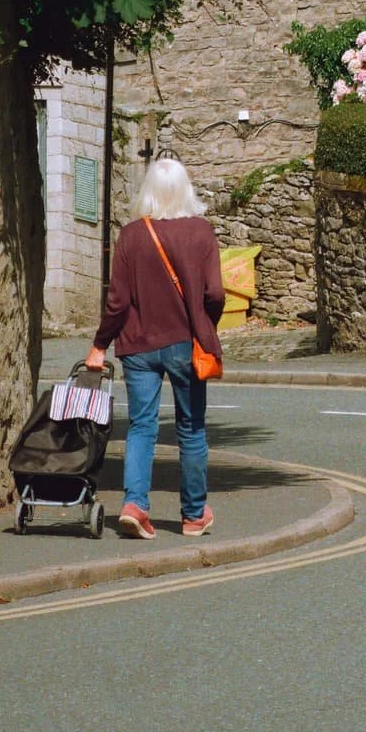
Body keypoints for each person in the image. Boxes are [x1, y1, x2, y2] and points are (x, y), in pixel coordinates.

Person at [84, 156, 225, 540]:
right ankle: (193, 515)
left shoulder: (131, 235)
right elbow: (215, 293)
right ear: (185, 190)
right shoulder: (201, 232)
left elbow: (117, 302)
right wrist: (204, 322)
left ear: (148, 190)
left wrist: (99, 345)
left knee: (142, 427)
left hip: (138, 345)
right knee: (191, 429)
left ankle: (134, 505)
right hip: (185, 344)